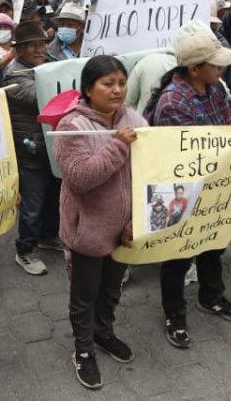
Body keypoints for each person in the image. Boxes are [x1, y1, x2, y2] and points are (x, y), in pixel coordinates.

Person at [143, 32, 231, 349]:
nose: (222, 70)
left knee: (214, 243)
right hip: (182, 191)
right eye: (215, 65)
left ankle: (211, 297)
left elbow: (229, 120)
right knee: (178, 256)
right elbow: (195, 152)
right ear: (194, 69)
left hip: (214, 186)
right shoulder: (173, 102)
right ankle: (175, 314)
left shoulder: (213, 89)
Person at [53, 56, 145, 390]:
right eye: (108, 83)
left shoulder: (134, 118)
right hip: (87, 232)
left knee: (111, 289)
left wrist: (138, 218)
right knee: (84, 295)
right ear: (88, 89)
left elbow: (150, 171)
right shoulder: (71, 126)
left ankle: (103, 333)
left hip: (125, 228)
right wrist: (118, 144)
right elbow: (81, 178)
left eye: (122, 82)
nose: (117, 89)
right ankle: (83, 350)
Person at [6, 21, 61, 276]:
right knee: (32, 205)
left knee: (52, 197)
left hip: (50, 148)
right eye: (32, 46)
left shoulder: (46, 67)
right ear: (19, 50)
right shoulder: (14, 76)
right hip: (32, 152)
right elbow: (43, 99)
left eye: (42, 44)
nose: (40, 50)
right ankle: (25, 250)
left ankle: (48, 237)